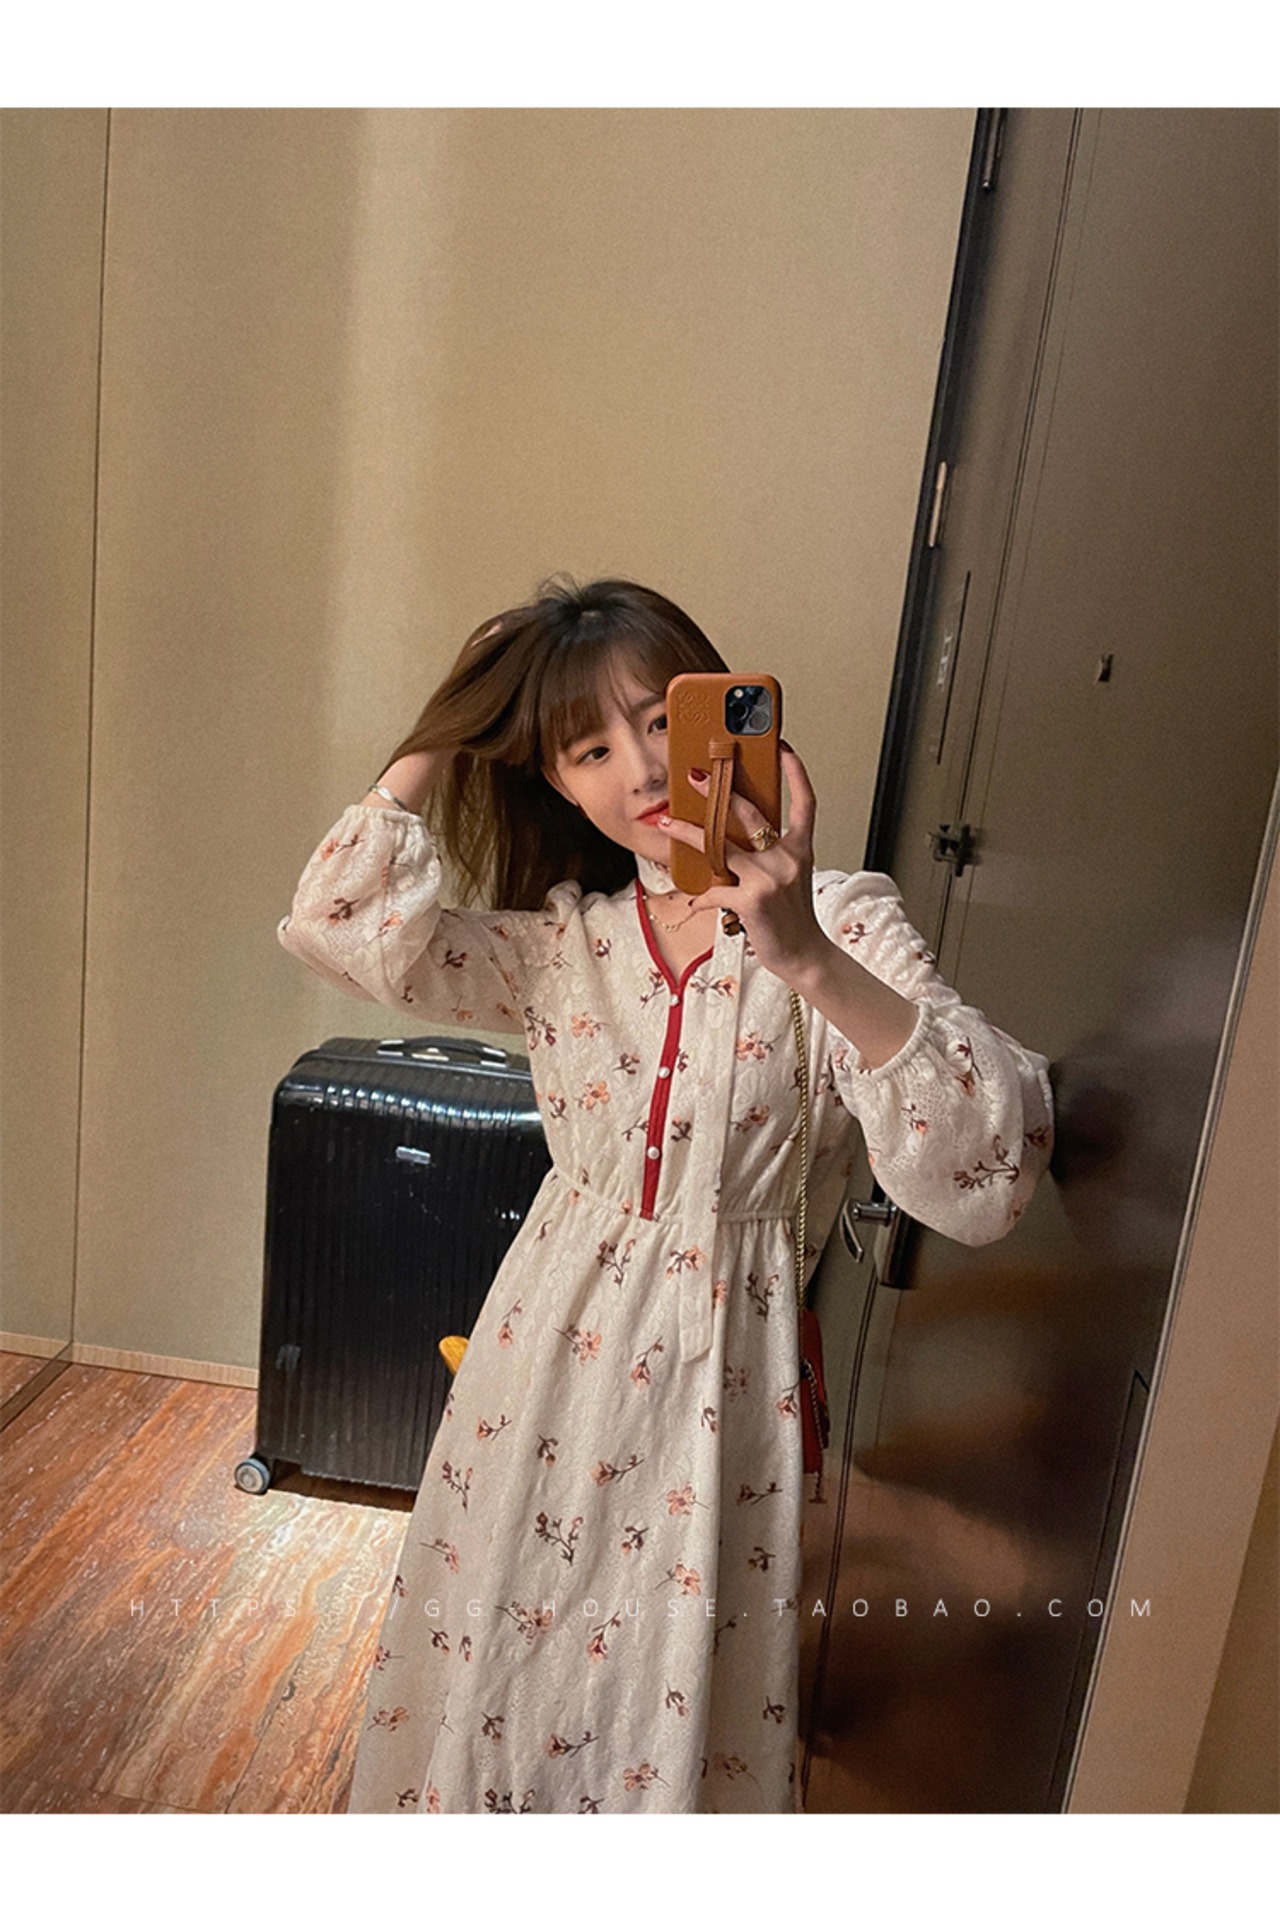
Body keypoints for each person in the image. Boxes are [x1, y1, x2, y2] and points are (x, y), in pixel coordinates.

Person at [276, 576, 1054, 1814]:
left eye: (658, 721)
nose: (640, 768)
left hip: (724, 1378)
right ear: (556, 782)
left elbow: (988, 1167)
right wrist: (449, 721)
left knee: (671, 1680)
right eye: (587, 747)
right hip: (541, 1361)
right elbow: (337, 923)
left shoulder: (843, 917)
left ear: (722, 718)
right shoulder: (559, 945)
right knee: (504, 1647)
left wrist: (803, 955)